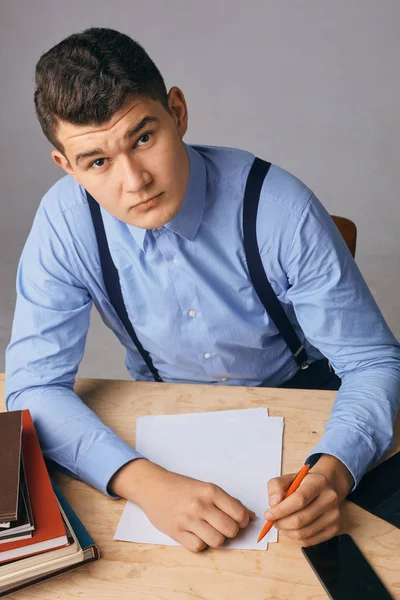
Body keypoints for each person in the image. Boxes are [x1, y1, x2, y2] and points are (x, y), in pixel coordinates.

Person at [5, 27, 400, 554]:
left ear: (178, 112)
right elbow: (31, 388)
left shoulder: (281, 209)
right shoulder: (64, 224)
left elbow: (374, 361)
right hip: (166, 421)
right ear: (67, 166)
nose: (134, 181)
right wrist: (145, 484)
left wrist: (335, 471)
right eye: (97, 161)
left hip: (301, 404)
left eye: (143, 138)